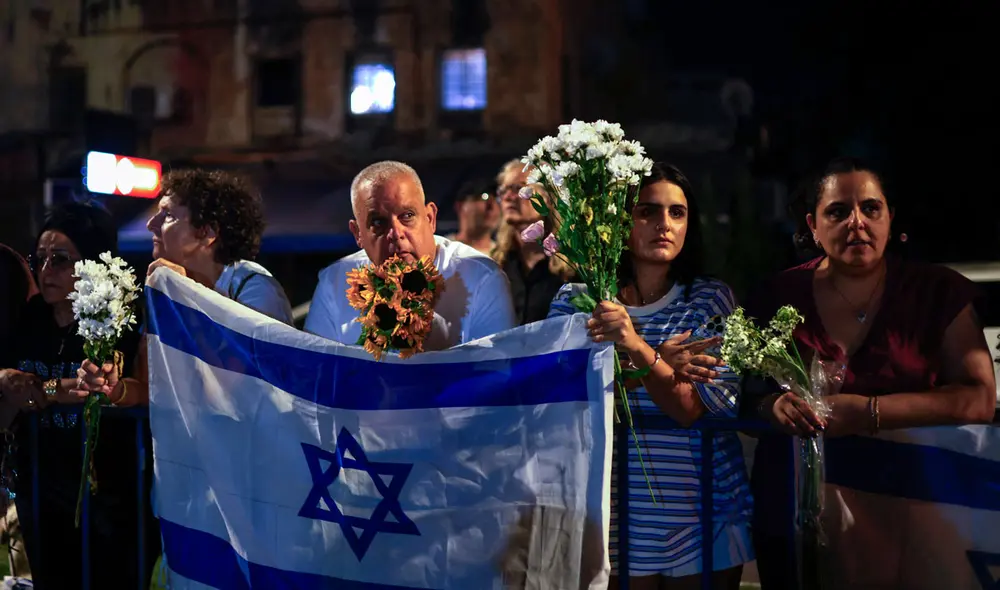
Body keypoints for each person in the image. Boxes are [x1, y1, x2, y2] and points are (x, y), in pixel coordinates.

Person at [745, 157, 995, 590]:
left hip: (915, 504)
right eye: (838, 211)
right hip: (801, 511)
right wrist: (772, 405)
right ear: (813, 225)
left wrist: (868, 412)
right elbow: (743, 392)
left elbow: (979, 398)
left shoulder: (937, 291)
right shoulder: (776, 295)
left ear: (890, 217)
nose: (856, 222)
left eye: (871, 208)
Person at [547, 163, 753, 590]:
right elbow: (558, 398)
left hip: (702, 514)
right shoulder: (578, 300)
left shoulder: (709, 300)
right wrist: (660, 361)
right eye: (647, 212)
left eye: (677, 213)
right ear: (619, 222)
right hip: (612, 518)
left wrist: (636, 347)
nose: (664, 224)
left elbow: (689, 407)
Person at [0, 202, 158, 589]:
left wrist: (49, 390)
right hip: (43, 486)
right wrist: (6, 379)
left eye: (60, 259)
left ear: (92, 265)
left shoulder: (117, 320)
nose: (46, 269)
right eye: (40, 258)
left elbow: (131, 391)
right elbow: (11, 387)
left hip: (107, 493)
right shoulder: (28, 318)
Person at [305, 160, 516, 347]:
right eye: (378, 222)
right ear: (358, 234)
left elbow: (495, 377)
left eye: (407, 216)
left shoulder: (482, 277)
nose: (396, 234)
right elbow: (315, 377)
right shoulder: (333, 282)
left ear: (430, 218)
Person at [492, 159, 573, 325]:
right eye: (503, 190)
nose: (508, 197)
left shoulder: (572, 264)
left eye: (518, 188)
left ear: (549, 198)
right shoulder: (497, 263)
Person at [445, 178, 499, 255]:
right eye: (484, 198)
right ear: (460, 206)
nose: (491, 207)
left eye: (497, 200)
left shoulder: (504, 257)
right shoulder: (441, 251)